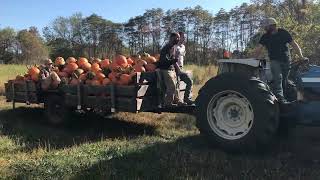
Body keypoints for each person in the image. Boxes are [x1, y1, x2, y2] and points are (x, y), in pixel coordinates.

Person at [255, 18, 308, 103]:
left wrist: (301, 56)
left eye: (266, 26)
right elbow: (259, 48)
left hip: (286, 60)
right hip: (274, 60)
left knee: (285, 80)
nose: (264, 28)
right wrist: (254, 58)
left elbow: (294, 44)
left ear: (272, 25)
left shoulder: (283, 33)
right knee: (278, 78)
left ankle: (286, 98)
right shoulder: (265, 36)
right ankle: (280, 99)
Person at [158, 32, 184, 107]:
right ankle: (168, 103)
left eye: (179, 38)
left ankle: (177, 101)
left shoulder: (173, 47)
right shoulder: (166, 48)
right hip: (166, 70)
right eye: (177, 38)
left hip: (171, 69)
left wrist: (176, 68)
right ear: (171, 38)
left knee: (176, 86)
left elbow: (172, 59)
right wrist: (174, 60)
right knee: (171, 86)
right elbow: (164, 61)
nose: (178, 39)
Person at [173, 32, 194, 105]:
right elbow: (173, 60)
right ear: (179, 37)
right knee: (177, 85)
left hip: (181, 68)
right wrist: (178, 69)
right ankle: (178, 101)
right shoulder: (175, 46)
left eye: (184, 37)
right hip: (175, 68)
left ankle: (186, 99)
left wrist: (181, 68)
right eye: (183, 37)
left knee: (189, 81)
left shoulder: (183, 47)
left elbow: (182, 56)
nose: (184, 38)